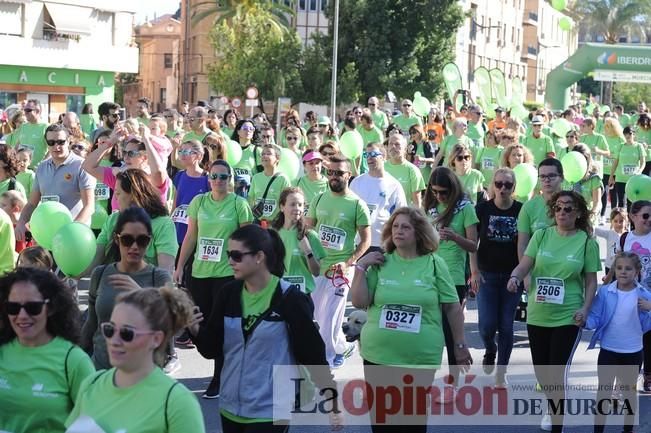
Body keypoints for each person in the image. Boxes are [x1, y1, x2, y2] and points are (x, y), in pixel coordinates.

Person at [189, 224, 342, 432]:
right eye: (228, 254)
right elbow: (212, 349)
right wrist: (195, 328)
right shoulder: (228, 294)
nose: (230, 262)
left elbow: (312, 355)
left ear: (259, 257)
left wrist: (331, 400)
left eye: (236, 255)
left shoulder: (290, 299)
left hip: (270, 411)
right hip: (229, 408)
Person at [350, 207, 471, 432]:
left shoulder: (434, 263)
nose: (399, 231)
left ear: (418, 233)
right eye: (395, 226)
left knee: (411, 422)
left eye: (406, 227)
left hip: (418, 358)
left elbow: (453, 308)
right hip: (378, 354)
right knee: (382, 422)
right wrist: (360, 267)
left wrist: (460, 345)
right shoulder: (380, 261)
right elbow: (359, 302)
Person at [508, 191, 600, 433]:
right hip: (539, 314)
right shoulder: (541, 235)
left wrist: (585, 308)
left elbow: (591, 281)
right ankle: (552, 406)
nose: (562, 213)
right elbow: (525, 264)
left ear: (578, 212)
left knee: (556, 372)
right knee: (543, 373)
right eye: (558, 208)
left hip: (568, 316)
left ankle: (556, 422)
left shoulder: (586, 242)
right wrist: (515, 277)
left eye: (568, 208)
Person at [67, 286, 205, 432]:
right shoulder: (91, 384)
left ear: (156, 339)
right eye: (110, 329)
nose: (114, 340)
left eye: (127, 333)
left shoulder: (177, 402)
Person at [173, 159, 253, 398]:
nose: (218, 181)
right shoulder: (199, 202)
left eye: (223, 177)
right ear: (208, 180)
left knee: (222, 327)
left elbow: (248, 239)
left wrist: (244, 268)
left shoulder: (239, 204)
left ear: (230, 180)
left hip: (228, 275)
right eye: (215, 177)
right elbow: (190, 236)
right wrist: (179, 267)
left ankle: (219, 377)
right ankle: (222, 366)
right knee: (200, 324)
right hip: (199, 273)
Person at [0, 268, 95, 432]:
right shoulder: (2, 350)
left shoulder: (73, 360)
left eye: (33, 307)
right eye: (13, 307)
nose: (22, 315)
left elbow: (93, 421)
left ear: (50, 308)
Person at [81, 207, 173, 370]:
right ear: (117, 239)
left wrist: (142, 296)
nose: (134, 246)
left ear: (149, 241)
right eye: (127, 240)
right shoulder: (100, 274)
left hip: (141, 378)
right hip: (100, 373)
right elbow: (91, 325)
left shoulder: (158, 277)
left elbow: (167, 332)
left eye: (142, 240)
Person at [306, 154, 371, 368]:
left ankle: (326, 361)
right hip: (318, 268)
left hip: (341, 270)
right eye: (331, 172)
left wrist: (348, 263)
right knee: (316, 314)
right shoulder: (318, 199)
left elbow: (366, 241)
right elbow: (307, 231)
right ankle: (342, 346)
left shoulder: (357, 204)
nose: (334, 177)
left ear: (348, 175)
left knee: (332, 317)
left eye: (339, 173)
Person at [423, 166, 478, 396]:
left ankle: (453, 383)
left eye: (444, 192)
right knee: (426, 332)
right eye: (435, 191)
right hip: (428, 275)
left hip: (454, 278)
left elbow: (474, 245)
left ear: (453, 188)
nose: (440, 196)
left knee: (450, 332)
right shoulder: (430, 207)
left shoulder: (465, 208)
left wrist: (455, 237)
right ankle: (423, 381)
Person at [586, 252, 651, 433]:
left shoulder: (644, 295)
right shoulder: (606, 292)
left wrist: (649, 307)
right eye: (619, 268)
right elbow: (595, 317)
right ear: (614, 270)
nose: (623, 272)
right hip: (608, 351)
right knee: (604, 393)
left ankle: (627, 429)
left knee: (629, 393)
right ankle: (598, 430)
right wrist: (584, 321)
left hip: (633, 352)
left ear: (637, 271)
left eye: (628, 269)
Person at [471, 168, 522, 387]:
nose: (503, 188)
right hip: (487, 275)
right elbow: (472, 245)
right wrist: (474, 272)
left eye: (507, 185)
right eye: (499, 184)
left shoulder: (521, 210)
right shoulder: (482, 209)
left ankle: (502, 372)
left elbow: (526, 244)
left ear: (514, 188)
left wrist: (522, 274)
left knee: (507, 326)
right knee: (486, 326)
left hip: (512, 276)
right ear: (492, 185)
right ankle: (490, 349)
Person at [15, 123, 96, 242]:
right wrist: (21, 222)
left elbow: (89, 206)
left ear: (69, 141)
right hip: (47, 235)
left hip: (74, 237)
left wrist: (71, 230)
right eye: (51, 142)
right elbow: (32, 204)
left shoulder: (82, 166)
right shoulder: (42, 168)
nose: (56, 146)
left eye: (60, 142)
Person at [92, 169, 177, 273]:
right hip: (112, 286)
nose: (115, 198)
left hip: (147, 287)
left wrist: (138, 288)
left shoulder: (163, 224)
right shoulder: (112, 219)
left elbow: (166, 270)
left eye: (118, 193)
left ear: (133, 196)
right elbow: (96, 257)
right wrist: (74, 277)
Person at [613, 200, 651, 393]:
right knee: (630, 339)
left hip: (649, 298)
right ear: (633, 217)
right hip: (628, 295)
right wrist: (608, 286)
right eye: (645, 215)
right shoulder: (625, 238)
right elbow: (617, 263)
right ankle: (624, 382)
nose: (649, 219)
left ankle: (648, 376)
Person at [350, 143, 407, 252]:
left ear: (383, 157)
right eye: (366, 155)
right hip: (359, 242)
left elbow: (402, 214)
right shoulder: (357, 182)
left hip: (382, 243)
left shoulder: (394, 184)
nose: (369, 158)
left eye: (373, 154)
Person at [272, 187, 326, 295]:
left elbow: (316, 272)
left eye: (300, 205)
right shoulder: (273, 234)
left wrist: (308, 252)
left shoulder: (310, 235)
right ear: (282, 207)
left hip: (302, 295)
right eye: (292, 204)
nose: (297, 208)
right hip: (278, 294)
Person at [517, 158, 565, 259]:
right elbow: (522, 245)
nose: (547, 180)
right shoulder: (528, 207)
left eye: (551, 176)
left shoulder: (573, 204)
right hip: (537, 270)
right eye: (542, 176)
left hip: (567, 270)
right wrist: (526, 273)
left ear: (562, 177)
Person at [171, 139, 210, 247]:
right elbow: (175, 204)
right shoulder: (179, 176)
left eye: (186, 152)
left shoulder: (208, 179)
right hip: (178, 229)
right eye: (180, 151)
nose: (182, 155)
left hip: (197, 232)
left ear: (199, 156)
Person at [248, 144, 291, 223]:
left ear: (277, 159)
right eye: (263, 154)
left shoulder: (283, 179)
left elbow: (287, 203)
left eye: (268, 154)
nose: (264, 156)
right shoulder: (256, 178)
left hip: (276, 223)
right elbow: (251, 199)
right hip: (258, 222)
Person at [609, 126, 646, 209]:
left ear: (634, 134)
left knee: (631, 203)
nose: (627, 135)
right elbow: (615, 162)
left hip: (633, 179)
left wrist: (639, 171)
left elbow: (643, 162)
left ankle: (631, 221)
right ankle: (621, 221)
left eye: (630, 133)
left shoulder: (639, 146)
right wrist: (611, 176)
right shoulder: (620, 146)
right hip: (620, 179)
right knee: (621, 202)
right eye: (625, 134)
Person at [384, 134, 425, 208]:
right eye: (390, 144)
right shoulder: (381, 167)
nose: (393, 147)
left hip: (403, 216)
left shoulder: (413, 170)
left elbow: (417, 204)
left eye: (397, 144)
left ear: (405, 149)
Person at [567, 144, 603, 219]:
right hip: (569, 218)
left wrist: (592, 213)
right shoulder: (567, 176)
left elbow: (597, 203)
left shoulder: (594, 179)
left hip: (587, 218)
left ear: (587, 160)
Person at [12, 99, 48, 167]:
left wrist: (43, 165)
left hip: (37, 170)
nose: (25, 112)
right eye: (24, 110)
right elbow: (17, 145)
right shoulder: (23, 126)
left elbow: (51, 150)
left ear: (37, 111)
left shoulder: (46, 127)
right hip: (22, 169)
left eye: (28, 110)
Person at [594, 207, 628, 276]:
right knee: (609, 285)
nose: (618, 224)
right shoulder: (609, 234)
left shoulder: (628, 235)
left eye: (621, 221)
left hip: (623, 267)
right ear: (611, 222)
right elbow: (595, 230)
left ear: (626, 221)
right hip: (609, 266)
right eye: (615, 221)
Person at [294, 150, 328, 215]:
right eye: (311, 163)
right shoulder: (296, 183)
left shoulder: (328, 184)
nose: (315, 166)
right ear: (304, 165)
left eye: (317, 163)